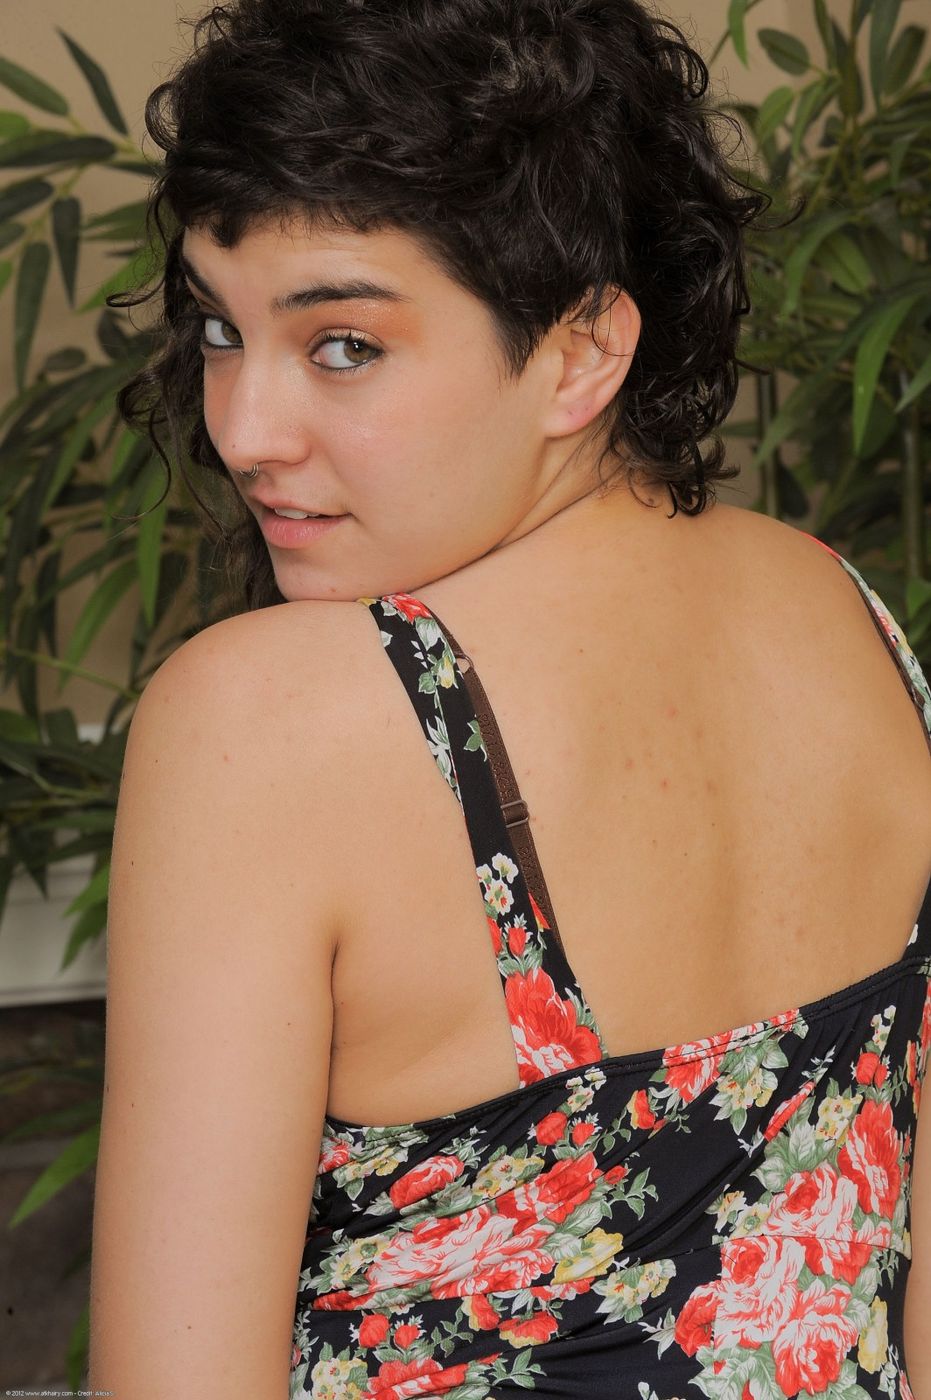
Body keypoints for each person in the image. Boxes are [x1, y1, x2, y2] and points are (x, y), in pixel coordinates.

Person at [87, 0, 931, 1395]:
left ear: (582, 352)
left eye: (343, 344)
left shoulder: (269, 724)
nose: (241, 429)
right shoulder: (846, 613)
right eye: (220, 327)